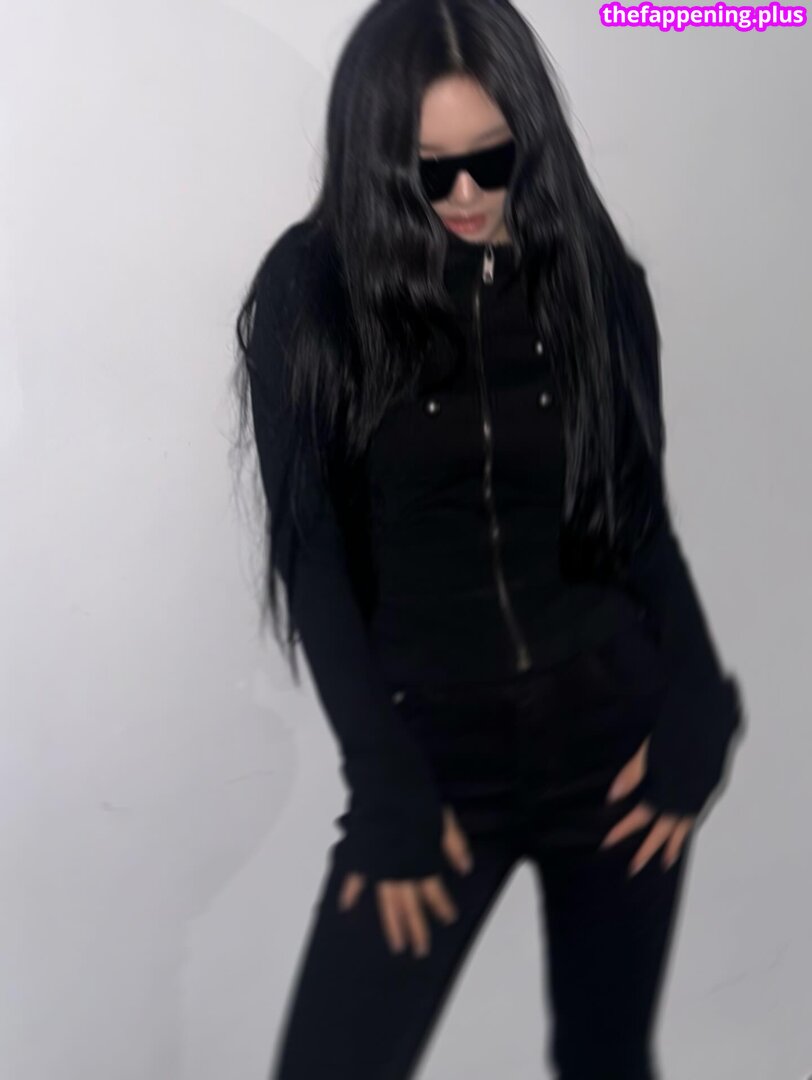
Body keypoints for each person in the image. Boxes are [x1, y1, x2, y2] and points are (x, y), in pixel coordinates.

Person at [231, 1, 744, 1076]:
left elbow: (635, 519)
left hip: (610, 737)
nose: (465, 194)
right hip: (434, 755)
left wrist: (701, 701)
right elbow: (313, 558)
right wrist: (385, 783)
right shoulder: (311, 294)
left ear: (530, 139)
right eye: (429, 170)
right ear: (377, 158)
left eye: (491, 159)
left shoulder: (598, 284)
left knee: (607, 1057)